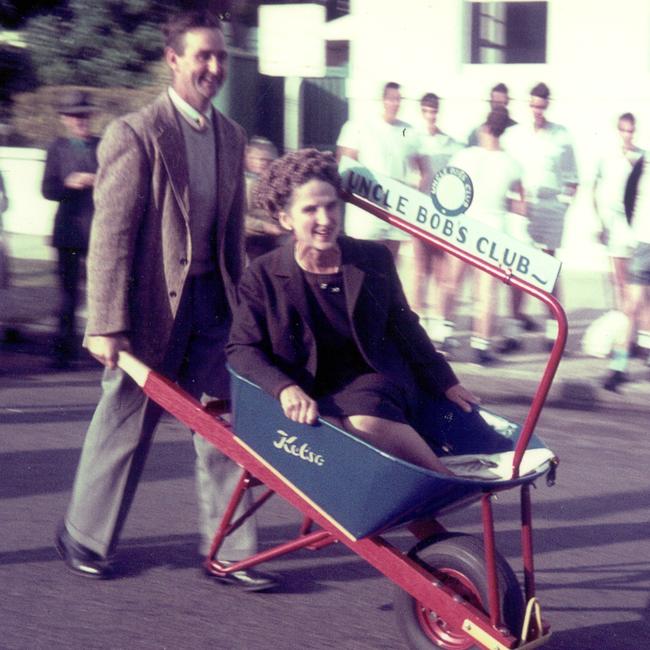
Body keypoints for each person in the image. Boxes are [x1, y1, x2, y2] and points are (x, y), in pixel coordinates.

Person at [55, 10, 275, 591]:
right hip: (150, 306)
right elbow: (111, 236)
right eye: (202, 55)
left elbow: (231, 238)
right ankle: (84, 534)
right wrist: (105, 322)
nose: (214, 67)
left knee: (224, 425)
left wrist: (245, 308)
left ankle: (228, 550)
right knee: (126, 419)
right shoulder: (136, 133)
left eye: (220, 56)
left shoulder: (230, 136)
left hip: (212, 306)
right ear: (173, 59)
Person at [226, 148, 505, 476]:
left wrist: (445, 380)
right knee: (323, 427)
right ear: (286, 219)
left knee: (364, 417)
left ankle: (440, 480)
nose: (325, 219)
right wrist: (283, 388)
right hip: (310, 389)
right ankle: (421, 494)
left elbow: (405, 326)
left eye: (331, 206)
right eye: (310, 210)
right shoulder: (262, 274)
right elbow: (241, 349)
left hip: (374, 381)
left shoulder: (372, 259)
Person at [446, 107, 526, 364]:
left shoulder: (464, 156)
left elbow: (448, 188)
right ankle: (481, 347)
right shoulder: (513, 163)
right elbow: (521, 204)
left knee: (452, 282)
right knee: (486, 291)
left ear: (486, 129)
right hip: (494, 230)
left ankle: (443, 336)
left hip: (464, 225)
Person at [506, 82, 579, 347]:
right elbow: (507, 173)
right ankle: (513, 332)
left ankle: (553, 332)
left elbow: (573, 179)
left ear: (548, 104)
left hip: (550, 208)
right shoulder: (513, 135)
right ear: (529, 104)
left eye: (542, 105)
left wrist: (562, 205)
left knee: (549, 268)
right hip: (522, 208)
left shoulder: (562, 135)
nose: (537, 110)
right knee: (515, 267)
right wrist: (513, 203)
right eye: (533, 105)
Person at [41, 90, 100, 368]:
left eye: (85, 116)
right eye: (75, 116)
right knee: (68, 296)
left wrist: (98, 179)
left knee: (102, 295)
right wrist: (69, 182)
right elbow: (47, 189)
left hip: (99, 233)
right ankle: (64, 351)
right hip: (68, 232)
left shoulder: (102, 145)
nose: (81, 121)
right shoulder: (57, 148)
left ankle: (102, 352)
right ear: (65, 119)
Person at [336, 81, 425, 260]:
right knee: (361, 266)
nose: (395, 103)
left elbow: (422, 168)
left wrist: (414, 199)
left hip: (396, 211)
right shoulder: (359, 126)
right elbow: (345, 163)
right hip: (366, 212)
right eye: (391, 99)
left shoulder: (406, 130)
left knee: (388, 267)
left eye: (399, 99)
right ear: (382, 100)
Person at [411, 92, 463, 346]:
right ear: (422, 111)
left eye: (434, 110)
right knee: (420, 268)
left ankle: (438, 323)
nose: (431, 114)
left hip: (441, 212)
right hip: (418, 210)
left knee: (442, 269)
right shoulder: (411, 137)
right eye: (427, 110)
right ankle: (417, 322)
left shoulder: (450, 142)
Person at [604, 152, 650, 391]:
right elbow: (629, 197)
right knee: (633, 305)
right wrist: (637, 229)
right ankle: (618, 368)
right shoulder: (644, 162)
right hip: (644, 245)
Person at [593, 113, 644, 311]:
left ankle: (638, 329)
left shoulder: (642, 157)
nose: (627, 135)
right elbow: (595, 191)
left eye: (630, 131)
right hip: (614, 224)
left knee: (638, 282)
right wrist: (599, 222)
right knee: (619, 280)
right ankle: (625, 326)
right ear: (618, 131)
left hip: (636, 226)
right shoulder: (607, 158)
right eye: (623, 130)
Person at [243, 136, 288, 261]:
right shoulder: (244, 183)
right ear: (248, 159)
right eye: (260, 159)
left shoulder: (277, 183)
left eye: (269, 160)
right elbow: (238, 219)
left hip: (275, 238)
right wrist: (265, 227)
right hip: (251, 242)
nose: (264, 163)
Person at [467, 82, 517, 147]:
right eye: (495, 103)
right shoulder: (479, 132)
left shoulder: (516, 131)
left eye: (501, 103)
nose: (498, 107)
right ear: (490, 103)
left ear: (507, 103)